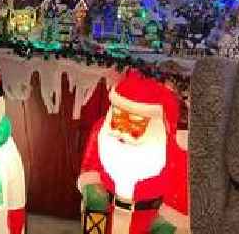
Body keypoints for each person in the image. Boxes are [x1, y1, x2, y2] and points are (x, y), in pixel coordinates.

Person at [77, 69, 188, 234]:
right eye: (118, 118)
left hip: (146, 218)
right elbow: (90, 164)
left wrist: (170, 220)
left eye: (135, 123)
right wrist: (91, 187)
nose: (122, 130)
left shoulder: (172, 147)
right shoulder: (103, 131)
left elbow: (180, 192)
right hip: (106, 215)